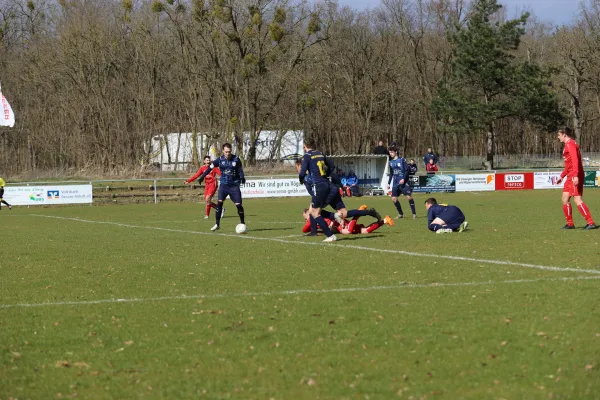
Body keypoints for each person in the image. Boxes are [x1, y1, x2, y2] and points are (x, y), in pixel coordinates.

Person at [198, 143, 246, 232]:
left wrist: (242, 177)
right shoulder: (219, 160)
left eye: (229, 151)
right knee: (219, 203)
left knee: (239, 205)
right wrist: (202, 177)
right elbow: (209, 168)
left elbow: (240, 170)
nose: (228, 153)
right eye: (226, 151)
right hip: (224, 186)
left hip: (234, 186)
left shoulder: (236, 159)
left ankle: (242, 223)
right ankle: (217, 224)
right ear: (223, 151)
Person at [556, 127, 597, 230]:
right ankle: (570, 224)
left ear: (564, 134)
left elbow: (575, 162)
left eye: (559, 135)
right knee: (565, 199)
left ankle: (591, 222)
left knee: (577, 199)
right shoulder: (568, 145)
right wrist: (562, 176)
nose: (558, 137)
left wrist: (575, 176)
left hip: (574, 176)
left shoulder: (570, 145)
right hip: (570, 175)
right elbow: (569, 165)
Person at [299, 138, 338, 242]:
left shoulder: (307, 156)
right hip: (326, 184)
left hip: (318, 185)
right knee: (312, 211)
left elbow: (302, 172)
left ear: (304, 146)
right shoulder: (321, 154)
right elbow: (332, 166)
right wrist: (326, 174)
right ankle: (335, 216)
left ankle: (330, 235)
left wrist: (300, 179)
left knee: (315, 213)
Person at [302, 206, 394, 235]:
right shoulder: (313, 221)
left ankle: (358, 213)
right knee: (365, 231)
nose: (305, 219)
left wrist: (309, 219)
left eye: (305, 216)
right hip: (337, 226)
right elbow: (306, 230)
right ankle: (385, 220)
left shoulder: (313, 216)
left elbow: (305, 229)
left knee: (348, 231)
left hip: (337, 223)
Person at [387, 146, 417, 219]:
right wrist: (388, 183)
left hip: (403, 182)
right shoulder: (390, 162)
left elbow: (407, 170)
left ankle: (414, 214)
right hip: (395, 183)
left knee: (409, 197)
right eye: (389, 152)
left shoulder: (401, 160)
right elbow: (391, 173)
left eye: (392, 152)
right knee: (394, 199)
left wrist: (403, 179)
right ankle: (401, 214)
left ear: (396, 152)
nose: (390, 154)